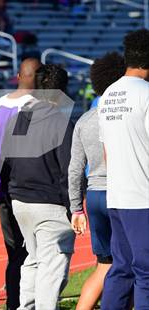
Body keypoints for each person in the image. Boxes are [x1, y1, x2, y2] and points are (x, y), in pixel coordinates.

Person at [0, 64, 76, 309]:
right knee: (52, 267)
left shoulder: (19, 118)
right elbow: (68, 170)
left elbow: (6, 160)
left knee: (33, 260)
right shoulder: (61, 122)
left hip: (20, 200)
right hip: (49, 202)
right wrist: (74, 207)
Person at [68, 52, 125, 310]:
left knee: (105, 264)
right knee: (129, 265)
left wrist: (76, 209)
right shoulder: (125, 114)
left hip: (93, 195)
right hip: (121, 194)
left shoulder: (84, 119)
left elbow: (75, 169)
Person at [97, 29, 149, 310]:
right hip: (143, 197)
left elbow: (106, 152)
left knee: (122, 269)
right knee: (146, 274)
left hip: (116, 195)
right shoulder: (146, 94)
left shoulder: (108, 95)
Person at [0, 58, 41, 310]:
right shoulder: (33, 106)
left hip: (1, 184)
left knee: (14, 251)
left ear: (19, 76)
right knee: (33, 251)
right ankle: (27, 302)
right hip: (25, 185)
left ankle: (13, 302)